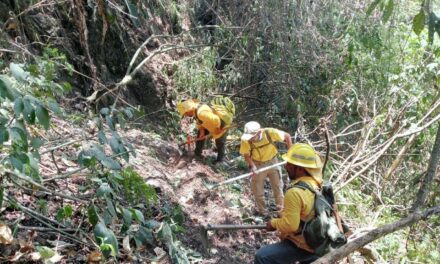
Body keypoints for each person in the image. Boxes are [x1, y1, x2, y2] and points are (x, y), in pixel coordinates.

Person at [254, 143, 323, 264]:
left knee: (262, 256)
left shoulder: (295, 192)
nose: (286, 166)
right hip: (320, 241)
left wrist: (273, 223)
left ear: (300, 169)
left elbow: (291, 226)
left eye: (289, 164)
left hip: (304, 245)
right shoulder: (318, 185)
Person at [239, 121, 292, 216]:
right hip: (257, 163)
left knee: (278, 187)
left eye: (252, 137)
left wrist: (290, 155)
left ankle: (281, 211)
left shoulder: (269, 132)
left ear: (259, 132)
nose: (250, 139)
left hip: (272, 161)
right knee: (257, 189)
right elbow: (246, 155)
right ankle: (263, 212)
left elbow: (287, 136)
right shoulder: (245, 140)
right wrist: (253, 166)